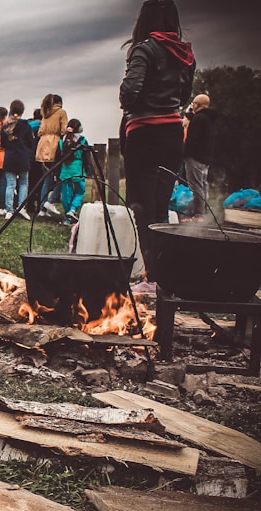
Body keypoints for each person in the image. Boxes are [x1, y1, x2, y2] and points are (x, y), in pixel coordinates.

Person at [119, 0, 195, 294]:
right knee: (161, 207)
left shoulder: (144, 49)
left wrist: (130, 101)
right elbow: (184, 94)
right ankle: (160, 274)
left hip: (145, 133)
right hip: (172, 134)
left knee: (141, 206)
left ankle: (152, 276)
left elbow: (130, 93)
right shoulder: (186, 55)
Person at [183, 94, 216, 219]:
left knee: (196, 186)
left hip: (195, 157)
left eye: (194, 103)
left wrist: (184, 153)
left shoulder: (198, 119)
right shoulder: (208, 118)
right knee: (203, 185)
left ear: (198, 104)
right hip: (205, 157)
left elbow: (192, 140)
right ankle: (204, 212)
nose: (192, 105)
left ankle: (198, 214)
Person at [1, 99, 34, 220]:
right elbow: (31, 143)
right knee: (24, 183)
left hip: (9, 156)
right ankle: (21, 207)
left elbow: (2, 143)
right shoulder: (26, 126)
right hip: (23, 157)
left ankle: (9, 209)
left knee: (10, 185)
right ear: (22, 111)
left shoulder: (5, 126)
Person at [35, 94, 68, 216]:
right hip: (54, 146)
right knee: (60, 177)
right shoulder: (61, 113)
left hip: (43, 146)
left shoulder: (44, 114)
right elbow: (64, 130)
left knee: (46, 179)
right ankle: (50, 201)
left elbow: (40, 131)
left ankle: (42, 209)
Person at [57, 118, 89, 225]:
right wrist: (88, 169)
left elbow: (58, 157)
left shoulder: (62, 141)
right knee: (80, 191)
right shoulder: (83, 140)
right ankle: (73, 209)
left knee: (66, 195)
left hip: (65, 171)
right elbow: (86, 157)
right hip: (78, 169)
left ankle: (67, 217)